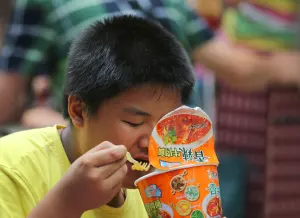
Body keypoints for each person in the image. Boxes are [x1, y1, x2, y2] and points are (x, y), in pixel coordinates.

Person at [0, 15, 195, 218]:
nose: (153, 143)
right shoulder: (9, 168)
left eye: (166, 126)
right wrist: (68, 201)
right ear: (78, 111)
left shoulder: (159, 191)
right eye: (134, 122)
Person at [1, 0, 300, 128]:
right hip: (98, 158)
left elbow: (235, 68)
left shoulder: (170, 2)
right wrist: (50, 123)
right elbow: (6, 96)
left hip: (176, 159)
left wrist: (285, 66)